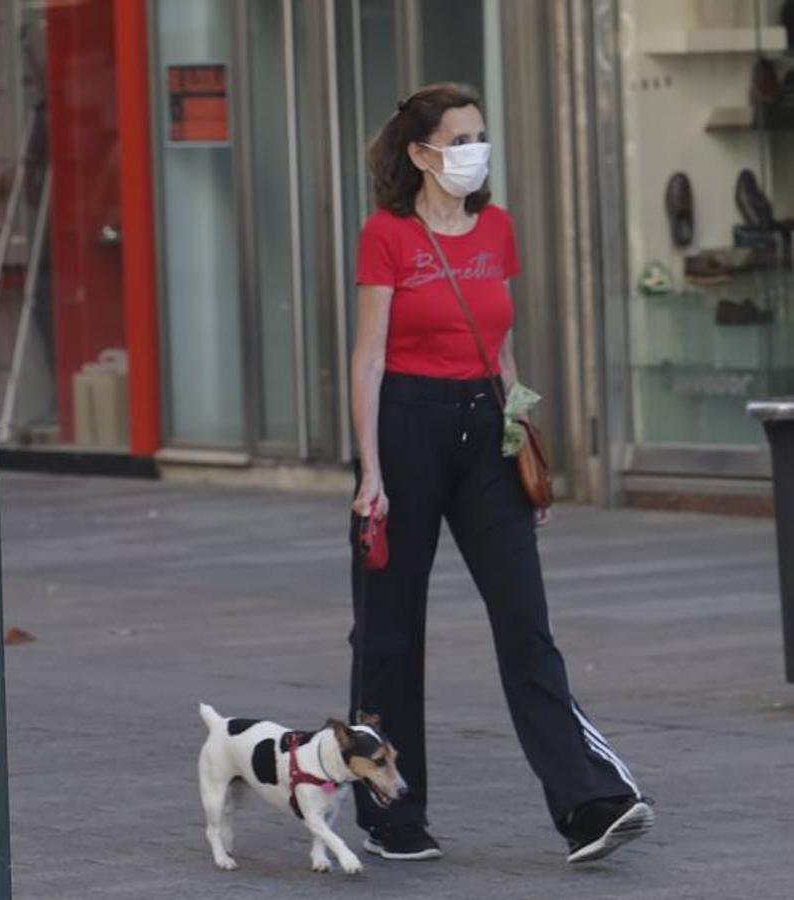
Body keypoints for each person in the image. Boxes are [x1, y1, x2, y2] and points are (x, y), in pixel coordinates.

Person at [347, 83, 653, 864]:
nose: (473, 151)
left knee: (526, 622)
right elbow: (369, 359)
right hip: (407, 427)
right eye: (458, 139)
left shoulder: (497, 229)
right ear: (420, 155)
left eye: (479, 135)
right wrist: (369, 473)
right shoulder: (386, 235)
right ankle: (391, 813)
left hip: (485, 428)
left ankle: (590, 803)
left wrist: (520, 440)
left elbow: (501, 344)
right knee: (389, 632)